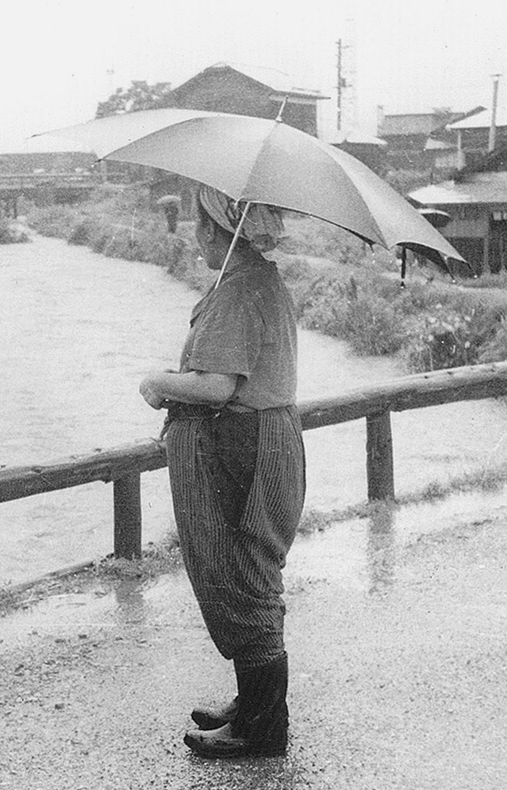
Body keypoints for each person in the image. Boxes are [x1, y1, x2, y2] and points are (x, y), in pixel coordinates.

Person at [138, 186, 305, 759]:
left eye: (199, 226)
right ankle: (254, 703)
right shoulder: (264, 281)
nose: (195, 236)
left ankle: (262, 728)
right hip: (266, 438)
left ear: (218, 231)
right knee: (250, 565)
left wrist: (159, 382)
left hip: (242, 443)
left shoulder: (238, 293)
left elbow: (216, 385)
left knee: (240, 568)